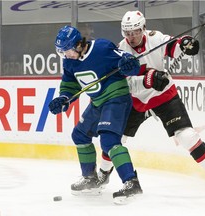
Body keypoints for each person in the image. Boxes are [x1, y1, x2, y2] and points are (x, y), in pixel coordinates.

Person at [97, 11, 205, 194]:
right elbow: (124, 83)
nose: (131, 37)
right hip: (136, 100)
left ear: (143, 28)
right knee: (115, 139)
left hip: (163, 96)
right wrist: (148, 79)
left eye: (135, 32)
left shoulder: (155, 38)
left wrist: (185, 44)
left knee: (187, 136)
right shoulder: (121, 50)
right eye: (127, 33)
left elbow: (174, 46)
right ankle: (103, 173)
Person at [48, 25, 144, 204]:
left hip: (117, 99)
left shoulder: (102, 48)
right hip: (98, 102)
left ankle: (131, 182)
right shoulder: (69, 62)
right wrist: (63, 99)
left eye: (67, 50)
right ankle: (90, 180)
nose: (65, 55)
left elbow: (130, 63)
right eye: (61, 52)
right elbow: (70, 85)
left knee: (108, 140)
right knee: (79, 134)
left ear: (78, 44)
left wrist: (129, 64)